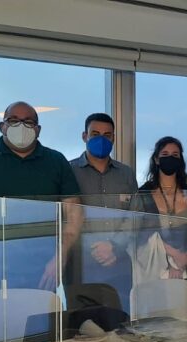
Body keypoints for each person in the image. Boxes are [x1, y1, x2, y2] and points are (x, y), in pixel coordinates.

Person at [0, 101, 82, 296]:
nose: (21, 126)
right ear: (2, 126)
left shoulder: (56, 161)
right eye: (13, 121)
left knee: (42, 316)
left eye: (28, 122)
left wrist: (59, 258)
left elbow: (74, 212)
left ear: (38, 130)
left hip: (43, 271)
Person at [68, 113, 138, 311]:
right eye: (95, 134)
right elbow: (66, 216)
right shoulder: (69, 171)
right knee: (82, 322)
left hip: (119, 261)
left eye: (107, 135)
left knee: (120, 319)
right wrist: (96, 249)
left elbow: (134, 215)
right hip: (81, 264)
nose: (101, 139)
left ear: (114, 138)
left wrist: (114, 246)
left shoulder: (126, 174)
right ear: (84, 136)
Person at [130, 136, 187, 286]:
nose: (170, 158)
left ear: (180, 160)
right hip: (153, 270)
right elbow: (138, 236)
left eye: (175, 155)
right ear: (156, 159)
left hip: (186, 268)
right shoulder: (143, 195)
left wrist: (180, 263)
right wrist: (173, 256)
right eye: (165, 154)